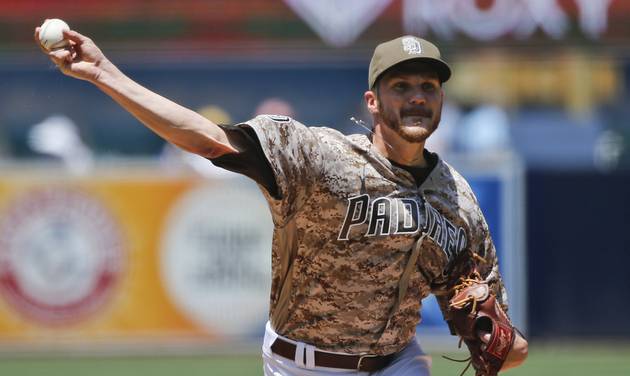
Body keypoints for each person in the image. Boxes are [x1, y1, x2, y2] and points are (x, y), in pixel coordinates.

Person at [35, 27, 528, 375]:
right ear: (373, 102)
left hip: (399, 362)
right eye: (401, 86)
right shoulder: (319, 158)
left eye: (429, 86)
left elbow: (504, 343)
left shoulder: (456, 200)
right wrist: (104, 73)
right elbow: (205, 138)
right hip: (305, 364)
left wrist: (504, 342)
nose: (418, 97)